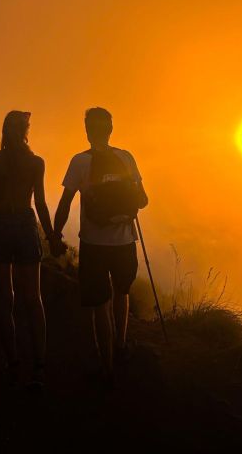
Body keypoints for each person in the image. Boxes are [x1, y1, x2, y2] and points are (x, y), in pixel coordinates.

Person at [52, 107, 148, 384]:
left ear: (87, 131)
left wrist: (56, 234)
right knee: (122, 292)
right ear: (110, 130)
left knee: (99, 304)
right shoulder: (126, 158)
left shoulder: (80, 162)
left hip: (94, 243)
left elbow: (65, 202)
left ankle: (106, 367)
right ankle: (121, 346)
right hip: (125, 241)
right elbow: (142, 200)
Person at [0, 110, 57, 388]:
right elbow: (41, 203)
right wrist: (51, 236)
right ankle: (39, 366)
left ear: (4, 130)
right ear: (26, 132)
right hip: (24, 224)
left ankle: (12, 362)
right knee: (33, 298)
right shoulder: (36, 163)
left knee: (4, 297)